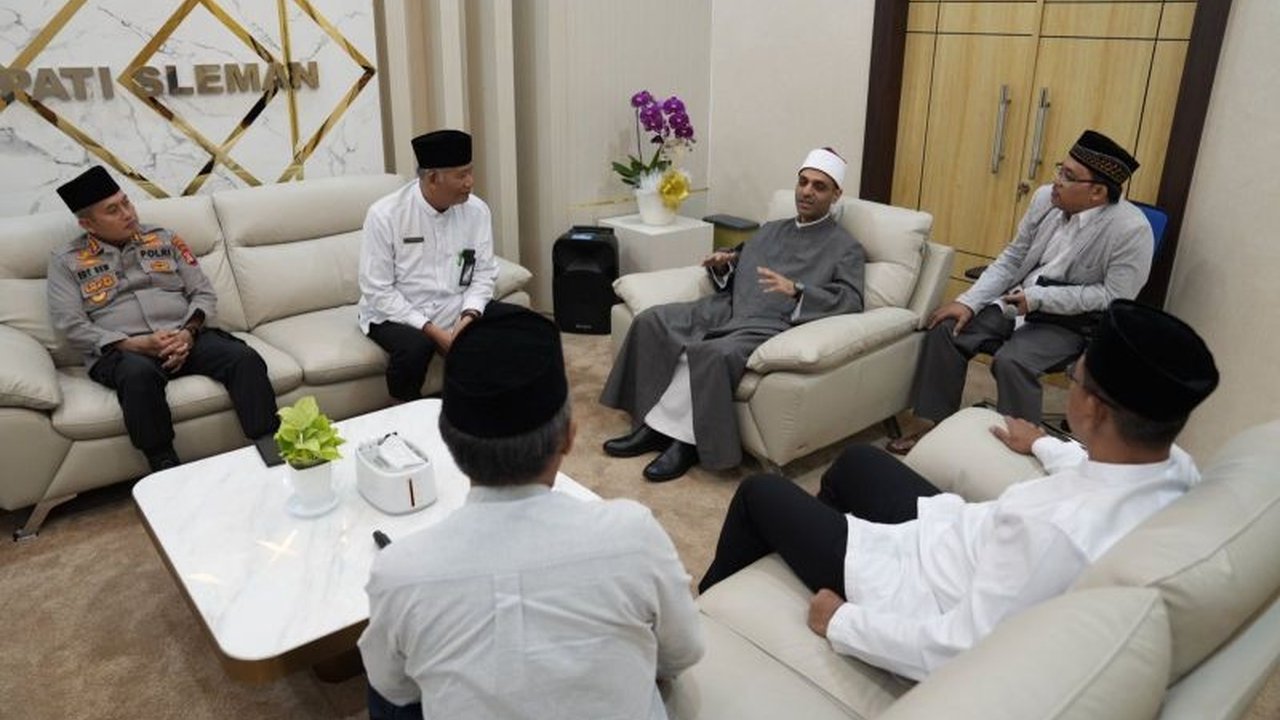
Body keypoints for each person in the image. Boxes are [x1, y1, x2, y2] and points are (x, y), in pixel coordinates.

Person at [698, 299, 1218, 681]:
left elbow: (963, 650)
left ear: (1095, 409)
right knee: (857, 463)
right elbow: (1096, 468)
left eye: (1074, 379)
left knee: (760, 494)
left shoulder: (1054, 537)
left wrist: (844, 622)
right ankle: (811, 554)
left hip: (919, 589)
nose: (1071, 383)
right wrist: (1043, 443)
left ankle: (705, 623)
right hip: (954, 537)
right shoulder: (1175, 470)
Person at [358, 308, 704, 720]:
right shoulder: (635, 534)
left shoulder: (399, 572)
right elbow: (683, 652)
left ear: (448, 442)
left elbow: (394, 686)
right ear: (569, 437)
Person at [600, 147, 866, 481]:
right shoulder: (772, 228)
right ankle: (650, 423)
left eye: (819, 186)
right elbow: (744, 262)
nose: (807, 191)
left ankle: (685, 442)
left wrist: (799, 290)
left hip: (772, 323)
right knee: (653, 321)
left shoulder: (846, 247)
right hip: (730, 306)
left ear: (836, 195)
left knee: (712, 353)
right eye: (803, 182)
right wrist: (724, 264)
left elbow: (851, 299)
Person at [890, 130, 1154, 454]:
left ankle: (1022, 452)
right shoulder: (1045, 199)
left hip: (1071, 321)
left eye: (1068, 176)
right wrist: (968, 302)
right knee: (946, 328)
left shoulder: (1131, 230)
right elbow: (1014, 257)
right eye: (1060, 169)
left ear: (1098, 192)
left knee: (1012, 361)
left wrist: (1041, 299)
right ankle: (936, 427)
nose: (1056, 181)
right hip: (1017, 300)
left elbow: (1114, 297)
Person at [46, 166, 278, 471]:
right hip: (123, 351)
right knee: (138, 376)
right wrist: (134, 344)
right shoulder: (66, 262)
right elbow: (70, 323)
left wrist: (187, 334)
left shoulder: (164, 239)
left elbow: (203, 293)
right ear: (87, 224)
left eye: (126, 202)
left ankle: (271, 445)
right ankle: (164, 464)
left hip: (183, 336)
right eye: (113, 210)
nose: (128, 213)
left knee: (243, 358)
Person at [358, 129, 499, 401]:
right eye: (461, 175)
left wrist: (468, 317)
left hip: (455, 305)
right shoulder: (385, 215)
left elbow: (483, 273)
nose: (470, 182)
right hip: (394, 312)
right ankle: (406, 411)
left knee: (517, 325)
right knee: (416, 348)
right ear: (433, 178)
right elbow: (377, 290)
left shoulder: (477, 211)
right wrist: (433, 331)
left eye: (471, 172)